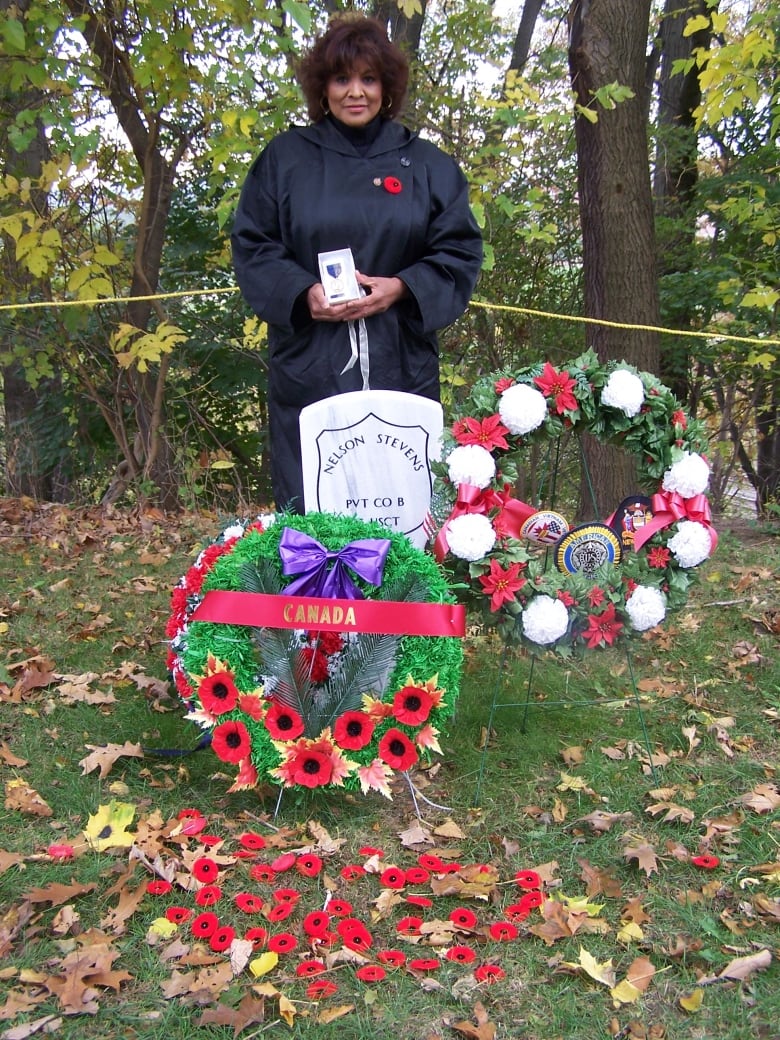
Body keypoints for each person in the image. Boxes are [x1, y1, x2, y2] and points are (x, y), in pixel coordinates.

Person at [231, 14, 483, 511]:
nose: (356, 92)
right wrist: (302, 294)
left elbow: (457, 248)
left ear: (386, 88)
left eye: (368, 79)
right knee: (315, 503)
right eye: (342, 79)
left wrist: (403, 286)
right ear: (322, 88)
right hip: (312, 359)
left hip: (399, 357)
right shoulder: (285, 159)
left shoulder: (427, 165)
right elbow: (254, 243)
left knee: (401, 500)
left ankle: (402, 591)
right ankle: (312, 591)